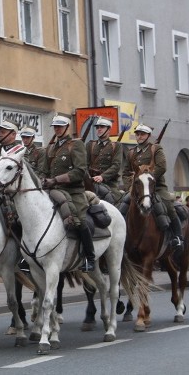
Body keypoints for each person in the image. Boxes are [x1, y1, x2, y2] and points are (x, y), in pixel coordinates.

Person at [39, 115, 94, 272]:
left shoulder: (75, 145)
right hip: (53, 190)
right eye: (55, 126)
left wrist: (55, 180)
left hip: (73, 191)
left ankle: (90, 258)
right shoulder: (50, 147)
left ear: (67, 127)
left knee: (79, 220)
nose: (57, 129)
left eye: (60, 126)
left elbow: (80, 171)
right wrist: (42, 179)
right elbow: (43, 170)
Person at [122, 124, 183, 250]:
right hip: (138, 188)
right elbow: (126, 172)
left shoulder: (156, 149)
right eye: (137, 134)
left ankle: (177, 237)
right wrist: (130, 187)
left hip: (156, 186)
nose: (139, 137)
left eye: (142, 134)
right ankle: (120, 232)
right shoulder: (131, 153)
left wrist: (148, 179)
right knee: (122, 205)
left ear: (148, 136)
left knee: (168, 205)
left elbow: (162, 167)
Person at [85, 117, 123, 204]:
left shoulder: (116, 146)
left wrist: (102, 176)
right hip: (91, 182)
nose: (99, 129)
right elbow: (85, 164)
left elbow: (116, 166)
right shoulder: (90, 145)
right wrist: (88, 179)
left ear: (109, 129)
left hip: (109, 183)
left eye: (102, 127)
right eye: (97, 127)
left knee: (115, 202)